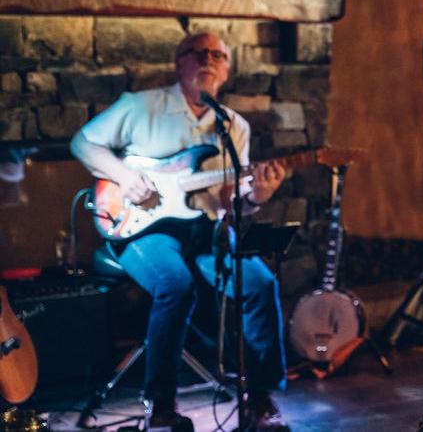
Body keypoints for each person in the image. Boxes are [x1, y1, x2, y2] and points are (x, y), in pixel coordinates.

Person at [70, 32, 289, 432]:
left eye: (217, 55)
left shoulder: (233, 126)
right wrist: (124, 176)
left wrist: (255, 196)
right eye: (198, 53)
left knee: (259, 282)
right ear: (179, 62)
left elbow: (228, 200)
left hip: (205, 230)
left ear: (226, 69)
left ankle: (260, 398)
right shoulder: (140, 106)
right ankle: (162, 404)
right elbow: (83, 142)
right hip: (141, 228)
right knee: (176, 283)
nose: (207, 60)